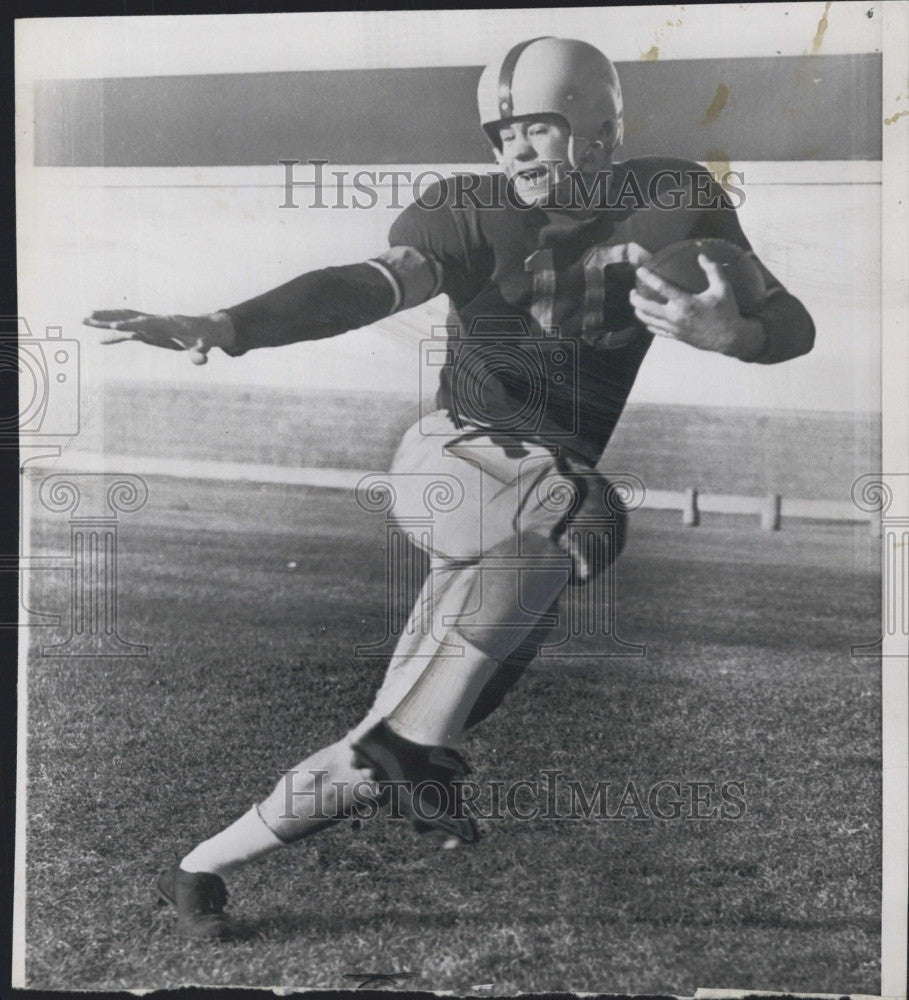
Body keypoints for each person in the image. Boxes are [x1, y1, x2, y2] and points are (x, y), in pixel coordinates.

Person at [85, 37, 815, 939]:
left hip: (530, 507)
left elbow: (790, 322)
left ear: (595, 128)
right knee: (578, 508)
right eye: (500, 133)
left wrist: (732, 333)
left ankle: (196, 868)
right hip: (454, 458)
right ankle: (409, 748)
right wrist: (232, 323)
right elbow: (363, 287)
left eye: (535, 129)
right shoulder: (466, 210)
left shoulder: (670, 198)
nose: (512, 151)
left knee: (412, 723)